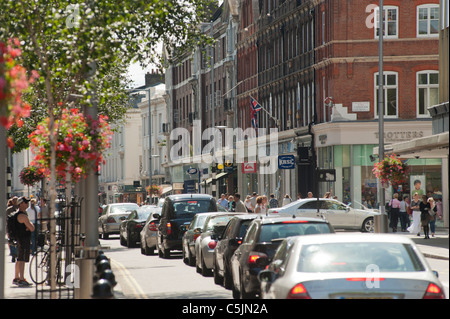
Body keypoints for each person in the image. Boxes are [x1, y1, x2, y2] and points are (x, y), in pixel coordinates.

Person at [13, 196, 35, 287]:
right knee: (22, 259)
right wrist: (29, 225)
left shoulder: (16, 214)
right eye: (26, 202)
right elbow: (32, 228)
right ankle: (21, 278)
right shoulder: (22, 215)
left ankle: (16, 277)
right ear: (21, 204)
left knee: (19, 258)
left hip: (19, 239)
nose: (27, 204)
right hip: (23, 239)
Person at [6, 197, 18, 262]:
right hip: (11, 228)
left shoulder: (18, 208)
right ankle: (14, 254)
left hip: (15, 228)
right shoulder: (9, 209)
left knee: (14, 240)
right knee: (12, 240)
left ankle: (15, 254)